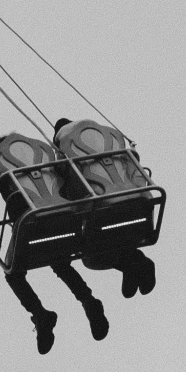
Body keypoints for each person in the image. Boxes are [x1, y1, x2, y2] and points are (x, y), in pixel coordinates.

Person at [0, 156, 109, 354]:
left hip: (30, 224)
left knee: (13, 274)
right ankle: (89, 301)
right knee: (60, 261)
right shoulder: (40, 157)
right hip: (63, 217)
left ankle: (40, 315)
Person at [52, 120, 157, 300]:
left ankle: (131, 264)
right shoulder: (115, 145)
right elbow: (136, 170)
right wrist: (140, 193)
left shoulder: (68, 156)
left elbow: (71, 193)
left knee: (92, 257)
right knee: (120, 231)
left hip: (102, 207)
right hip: (137, 202)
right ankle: (134, 263)